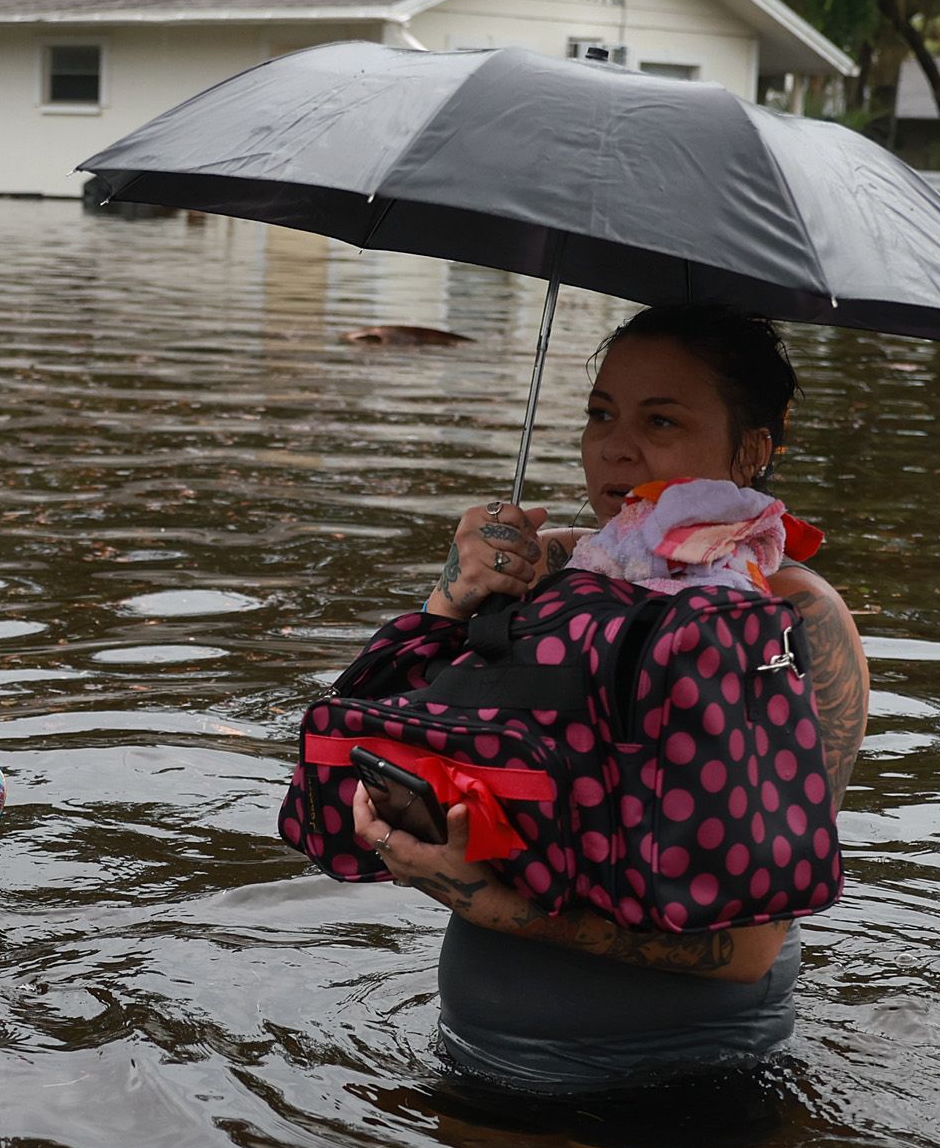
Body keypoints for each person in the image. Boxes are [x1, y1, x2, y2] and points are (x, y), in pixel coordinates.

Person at [347, 302, 871, 1092]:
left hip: (678, 1081)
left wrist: (493, 908)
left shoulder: (792, 618)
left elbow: (748, 947)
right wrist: (454, 598)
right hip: (477, 1054)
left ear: (751, 450)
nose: (614, 449)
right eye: (600, 414)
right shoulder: (552, 572)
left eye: (660, 423)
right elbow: (388, 734)